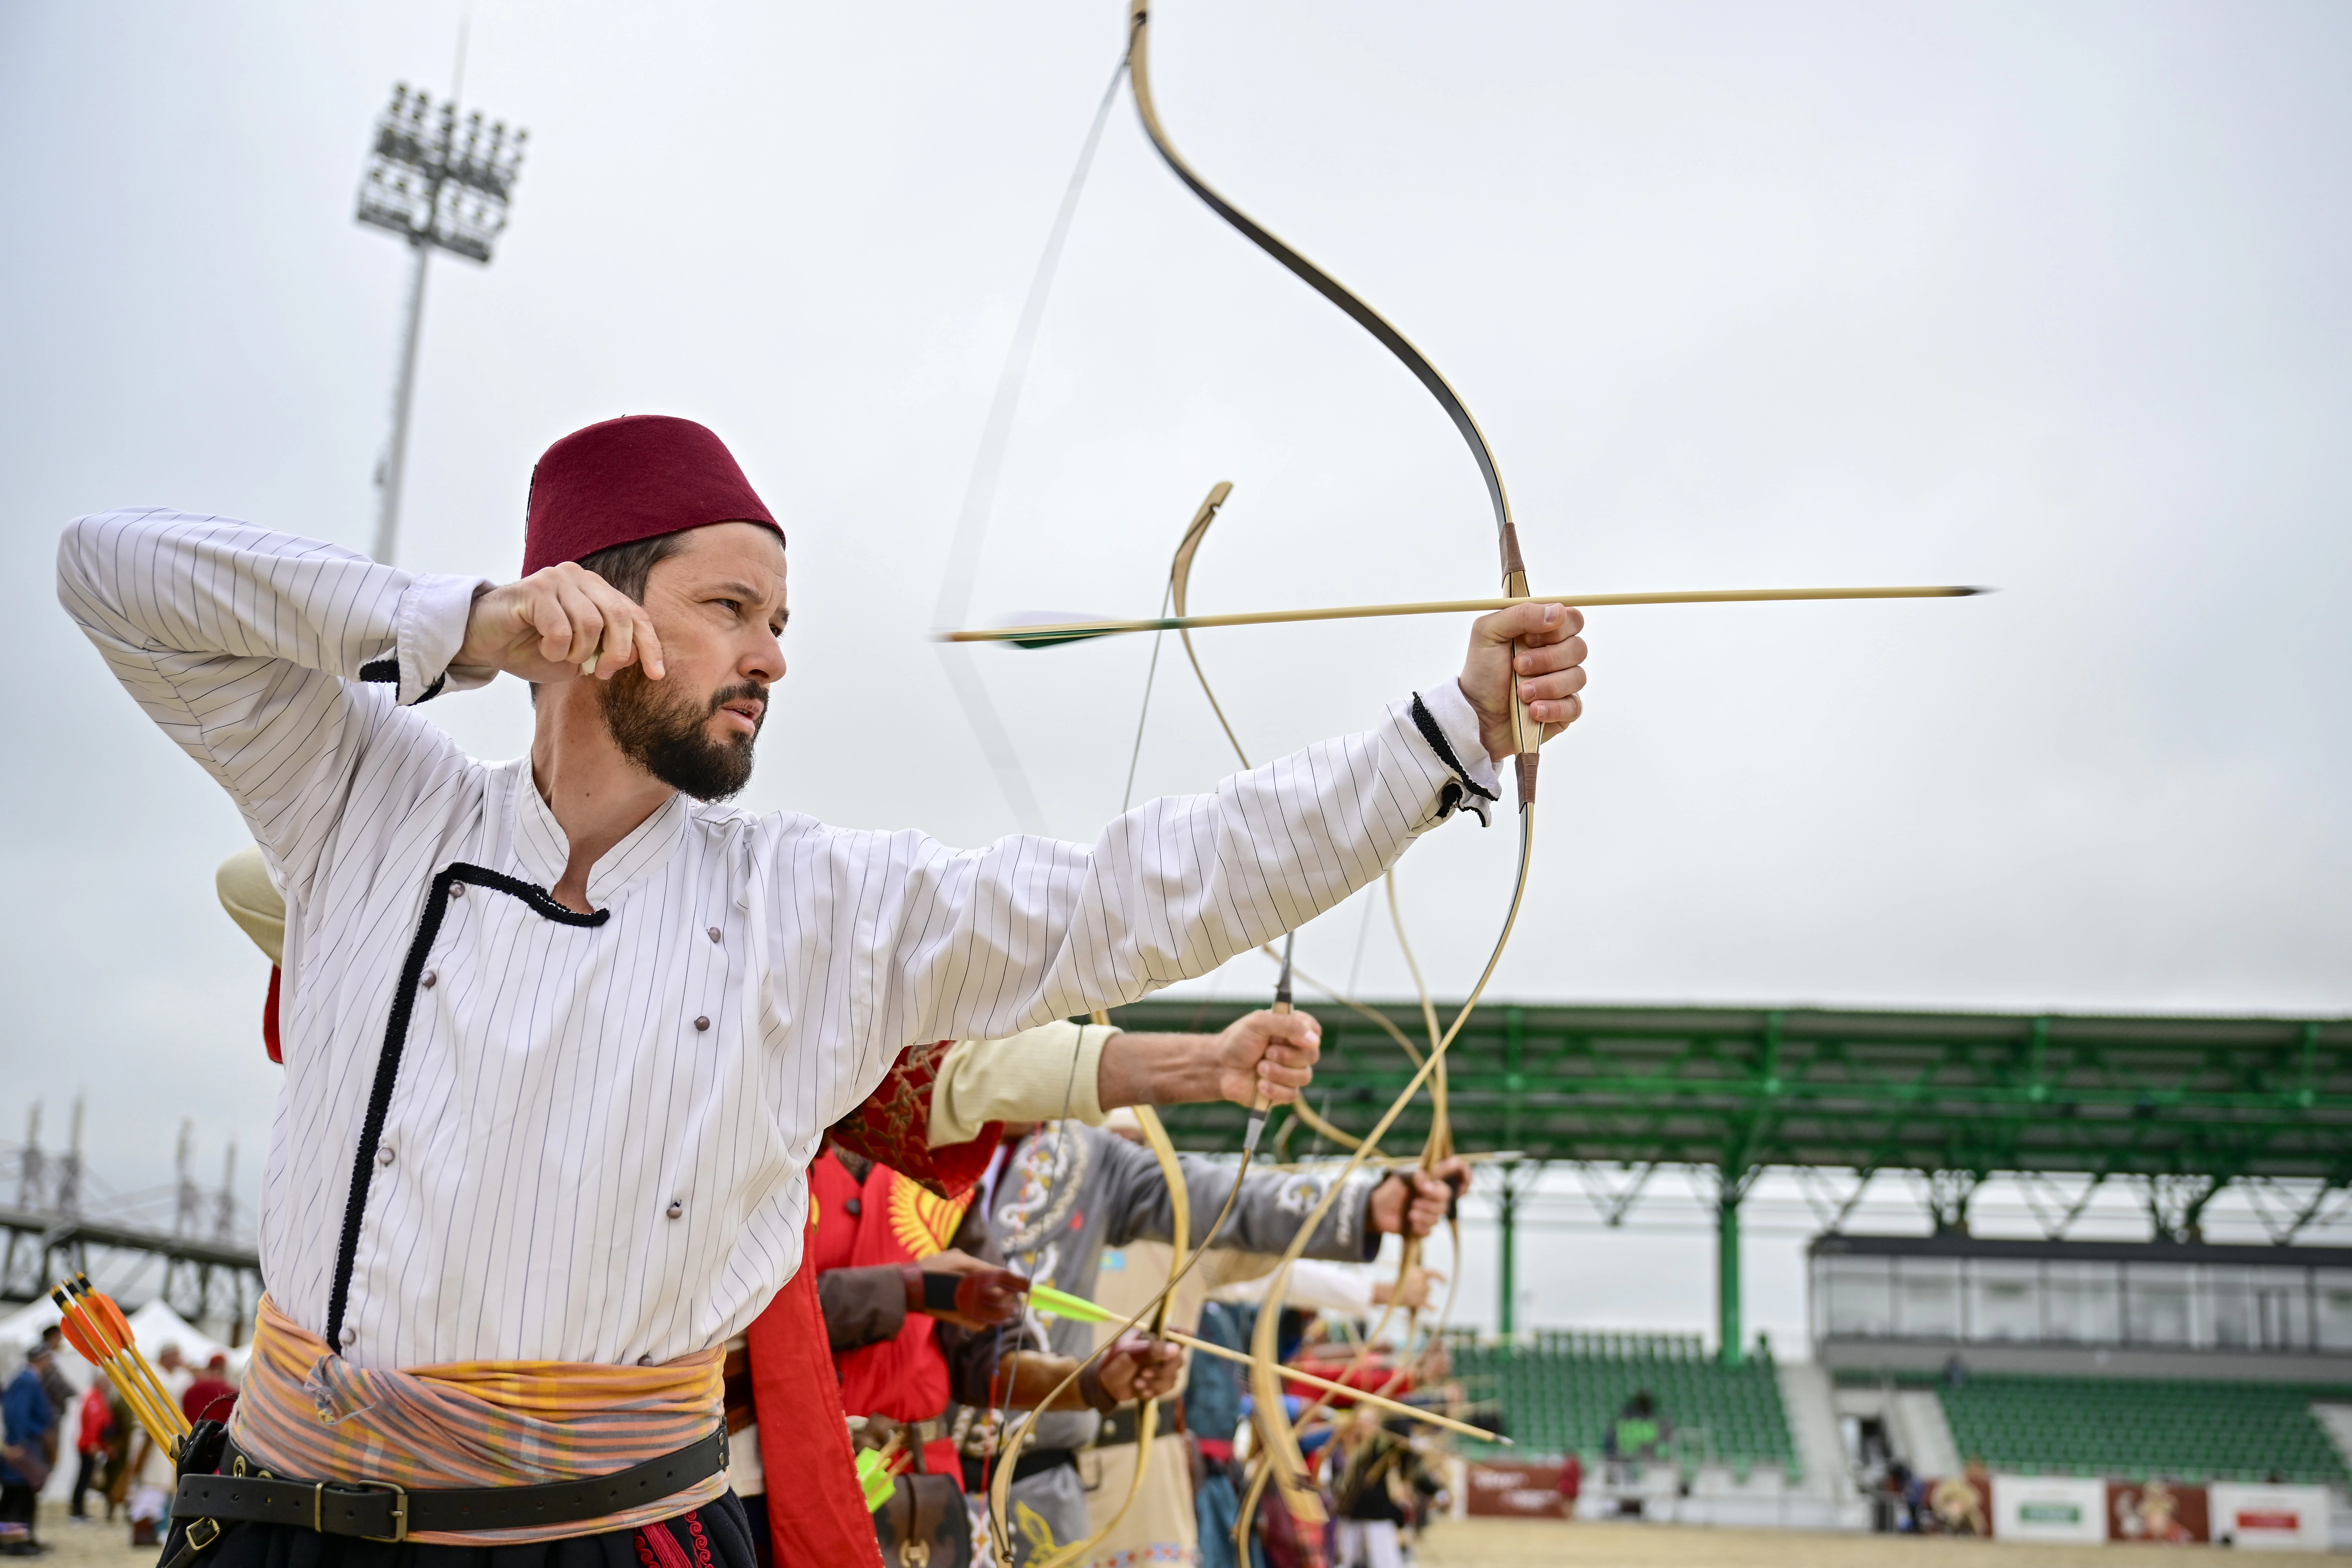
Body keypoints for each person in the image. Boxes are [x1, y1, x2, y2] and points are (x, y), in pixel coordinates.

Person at [59, 415, 1586, 1564]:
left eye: (780, 621)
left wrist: (1444, 735)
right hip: (292, 1517)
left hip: (610, 1534)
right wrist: (462, 620)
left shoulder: (806, 903)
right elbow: (108, 570)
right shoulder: (366, 798)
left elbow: (1126, 891)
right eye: (733, 607)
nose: (773, 655)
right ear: (586, 603)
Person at [981, 1109, 1466, 1565]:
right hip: (1025, 1463)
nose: (1121, 1167)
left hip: (1146, 1468)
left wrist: (1368, 1221)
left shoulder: (1185, 1238)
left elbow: (1274, 1250)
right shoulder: (1023, 1225)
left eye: (1137, 1151)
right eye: (1107, 1149)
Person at [0, 1345, 56, 1556]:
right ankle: (15, 1543)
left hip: (27, 1445)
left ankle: (21, 1539)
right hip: (23, 1448)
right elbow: (17, 1414)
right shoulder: (27, 1381)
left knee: (20, 1496)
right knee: (19, 1497)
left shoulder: (28, 1380)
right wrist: (18, 1443)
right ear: (43, 1358)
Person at [70, 1381, 113, 1522]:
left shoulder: (99, 1397)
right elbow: (93, 1423)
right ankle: (77, 1512)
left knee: (86, 1478)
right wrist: (93, 1444)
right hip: (89, 1447)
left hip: (93, 1445)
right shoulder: (93, 1399)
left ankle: (79, 1511)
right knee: (83, 1479)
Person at [181, 1355, 236, 1427]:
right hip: (221, 1433)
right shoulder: (228, 1390)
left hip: (193, 1433)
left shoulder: (190, 1389)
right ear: (222, 1367)